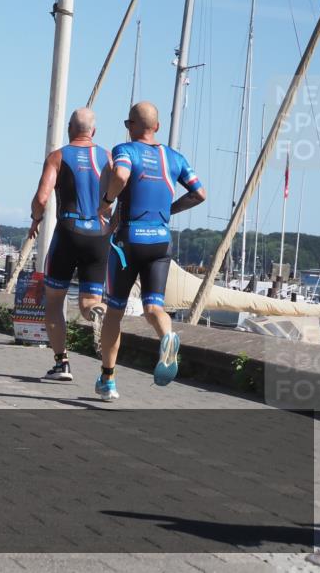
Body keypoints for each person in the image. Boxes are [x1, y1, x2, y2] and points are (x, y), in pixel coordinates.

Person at [96, 101, 206, 402]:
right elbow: (199, 193)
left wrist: (106, 201)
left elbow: (120, 176)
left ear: (130, 125)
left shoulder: (125, 150)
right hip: (160, 241)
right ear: (157, 127)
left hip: (128, 241)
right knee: (153, 307)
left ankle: (108, 379)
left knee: (114, 312)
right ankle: (167, 337)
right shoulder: (174, 157)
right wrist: (169, 210)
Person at [28, 108, 111, 383]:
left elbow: (42, 198)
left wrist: (35, 220)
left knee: (53, 301)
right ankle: (95, 312)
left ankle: (61, 362)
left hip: (69, 231)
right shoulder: (109, 157)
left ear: (68, 129)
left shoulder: (58, 156)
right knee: (89, 301)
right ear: (94, 132)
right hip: (100, 234)